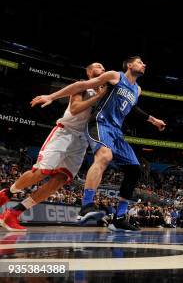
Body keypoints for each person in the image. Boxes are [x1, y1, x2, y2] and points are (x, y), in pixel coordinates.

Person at [31, 56, 166, 232]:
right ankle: (86, 206)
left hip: (116, 131)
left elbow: (131, 107)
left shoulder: (137, 90)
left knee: (135, 169)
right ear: (130, 65)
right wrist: (52, 96)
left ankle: (119, 217)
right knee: (105, 156)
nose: (144, 64)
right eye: (140, 62)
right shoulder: (115, 76)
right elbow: (81, 86)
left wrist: (152, 119)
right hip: (100, 123)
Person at [0, 63, 107, 231]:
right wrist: (97, 97)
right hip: (65, 133)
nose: (102, 67)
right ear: (88, 72)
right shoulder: (83, 86)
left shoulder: (106, 91)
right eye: (98, 66)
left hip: (82, 141)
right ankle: (7, 194)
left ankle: (14, 213)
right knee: (41, 171)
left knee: (60, 180)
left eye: (103, 66)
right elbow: (74, 109)